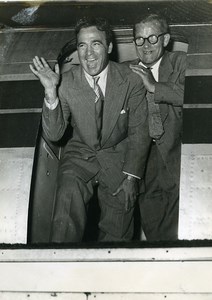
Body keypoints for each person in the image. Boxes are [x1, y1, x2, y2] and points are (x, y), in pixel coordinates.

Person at [30, 16, 151, 243]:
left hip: (119, 157)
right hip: (80, 154)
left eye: (96, 43)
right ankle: (61, 268)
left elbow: (139, 132)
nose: (89, 54)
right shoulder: (64, 83)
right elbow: (54, 135)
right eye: (82, 45)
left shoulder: (131, 80)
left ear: (110, 47)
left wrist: (131, 178)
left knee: (118, 233)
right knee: (66, 204)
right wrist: (50, 92)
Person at [128, 14, 186, 241]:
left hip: (176, 154)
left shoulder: (182, 62)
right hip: (143, 162)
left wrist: (154, 86)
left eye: (152, 38)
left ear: (166, 39)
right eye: (139, 40)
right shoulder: (125, 71)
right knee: (154, 230)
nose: (145, 45)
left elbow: (193, 92)